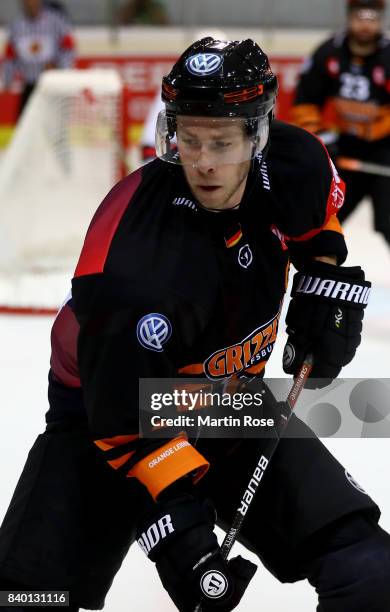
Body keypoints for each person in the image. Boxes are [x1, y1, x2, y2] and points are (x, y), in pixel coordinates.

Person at [1, 37, 390, 612]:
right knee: (29, 600)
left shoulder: (294, 162)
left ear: (258, 135)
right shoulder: (131, 263)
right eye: (188, 137)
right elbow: (126, 419)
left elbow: (317, 231)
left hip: (233, 405)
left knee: (372, 574)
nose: (203, 161)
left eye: (223, 142)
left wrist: (324, 286)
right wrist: (179, 533)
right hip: (111, 421)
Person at [291, 0, 390, 247]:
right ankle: (315, 274)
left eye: (372, 18)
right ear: (349, 17)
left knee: (388, 223)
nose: (366, 25)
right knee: (325, 219)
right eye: (360, 17)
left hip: (384, 152)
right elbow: (305, 102)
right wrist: (325, 140)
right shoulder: (328, 53)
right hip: (342, 150)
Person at [2, 0, 75, 116]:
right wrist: (7, 80)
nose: (31, 3)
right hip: (29, 85)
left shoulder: (56, 22)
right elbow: (11, 56)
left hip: (52, 86)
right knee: (25, 124)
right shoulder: (16, 25)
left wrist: (60, 67)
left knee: (53, 123)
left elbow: (68, 48)